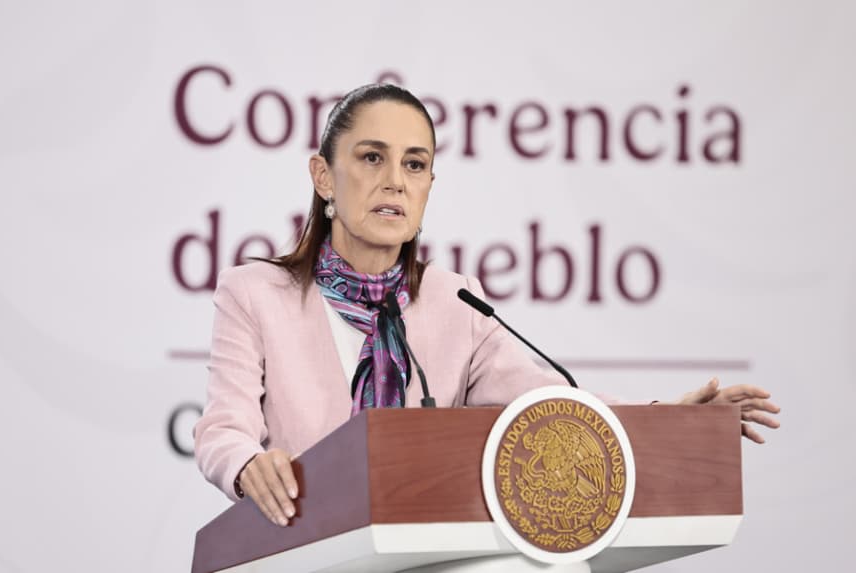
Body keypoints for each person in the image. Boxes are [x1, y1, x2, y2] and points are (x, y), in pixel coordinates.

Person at [193, 84, 780, 528]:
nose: (395, 181)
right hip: (300, 547)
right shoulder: (254, 293)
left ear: (428, 187)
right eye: (372, 157)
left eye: (415, 164)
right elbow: (224, 427)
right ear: (324, 176)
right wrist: (248, 465)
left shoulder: (454, 302)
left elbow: (555, 406)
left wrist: (674, 418)